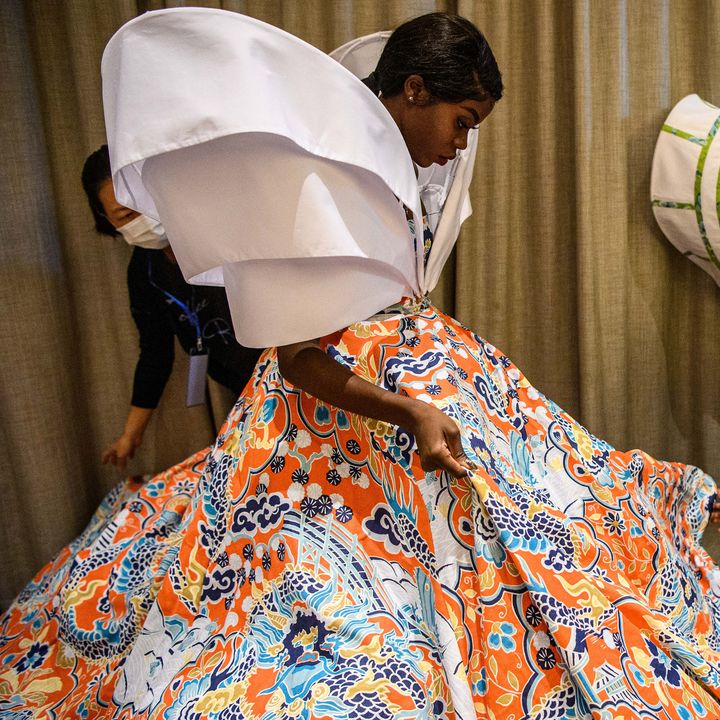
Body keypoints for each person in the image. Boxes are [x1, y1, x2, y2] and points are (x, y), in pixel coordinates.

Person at [2, 10, 720, 719]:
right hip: (348, 418)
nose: (461, 144)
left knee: (551, 507)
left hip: (434, 376)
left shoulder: (399, 172)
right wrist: (408, 410)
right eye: (461, 121)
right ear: (413, 91)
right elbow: (297, 361)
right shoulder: (321, 180)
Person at [81, 145, 261, 469]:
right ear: (108, 221)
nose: (141, 219)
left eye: (142, 204)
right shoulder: (144, 271)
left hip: (291, 364)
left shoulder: (217, 225)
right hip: (246, 391)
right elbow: (155, 354)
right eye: (125, 216)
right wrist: (130, 436)